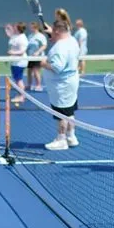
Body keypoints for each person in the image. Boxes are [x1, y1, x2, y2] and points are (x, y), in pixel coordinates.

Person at [40, 20, 80, 151]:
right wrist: (53, 33)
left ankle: (61, 139)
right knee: (69, 111)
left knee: (61, 113)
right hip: (71, 82)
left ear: (57, 31)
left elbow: (57, 67)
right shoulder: (72, 40)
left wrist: (43, 63)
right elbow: (60, 35)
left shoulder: (60, 47)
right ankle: (71, 136)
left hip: (61, 85)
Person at [8, 22, 29, 103]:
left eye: (15, 26)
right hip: (14, 62)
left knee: (19, 80)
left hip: (20, 62)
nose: (14, 27)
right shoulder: (16, 36)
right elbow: (11, 37)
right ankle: (19, 95)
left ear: (18, 28)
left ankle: (22, 96)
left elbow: (22, 52)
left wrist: (11, 53)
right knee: (17, 80)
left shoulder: (22, 39)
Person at [26, 21, 47, 91]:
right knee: (29, 71)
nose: (30, 28)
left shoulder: (41, 36)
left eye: (31, 27)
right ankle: (29, 85)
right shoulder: (30, 36)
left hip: (38, 57)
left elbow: (44, 46)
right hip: (30, 56)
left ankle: (39, 85)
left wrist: (38, 52)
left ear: (36, 28)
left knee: (36, 71)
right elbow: (27, 46)